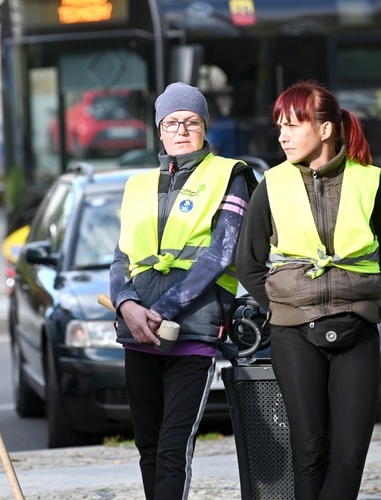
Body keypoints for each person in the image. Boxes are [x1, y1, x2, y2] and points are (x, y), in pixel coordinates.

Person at [235, 80, 381, 499]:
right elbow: (248, 263)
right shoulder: (271, 185)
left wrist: (366, 305)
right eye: (279, 125)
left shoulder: (370, 182)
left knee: (350, 456)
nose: (282, 135)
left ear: (325, 130)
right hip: (293, 334)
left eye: (293, 124)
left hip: (357, 330)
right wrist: (282, 307)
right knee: (310, 449)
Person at [109, 82, 257, 499]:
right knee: (148, 447)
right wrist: (127, 305)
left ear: (205, 127)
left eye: (192, 121)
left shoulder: (231, 175)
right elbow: (121, 257)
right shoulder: (137, 185)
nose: (181, 130)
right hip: (138, 332)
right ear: (159, 130)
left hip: (192, 331)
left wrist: (165, 308)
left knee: (174, 447)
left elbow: (221, 253)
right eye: (172, 122)